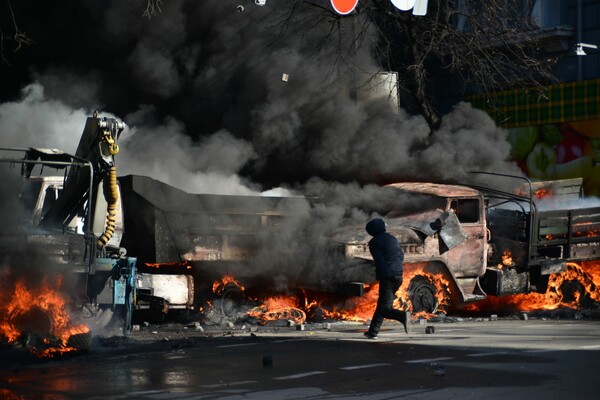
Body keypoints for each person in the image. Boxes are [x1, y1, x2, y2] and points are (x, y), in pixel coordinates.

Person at [363, 217, 411, 339]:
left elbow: (379, 260)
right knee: (382, 305)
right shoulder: (392, 238)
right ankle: (373, 332)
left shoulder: (375, 242)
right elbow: (400, 255)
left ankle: (402, 316)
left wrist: (381, 274)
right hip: (398, 275)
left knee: (384, 308)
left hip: (387, 276)